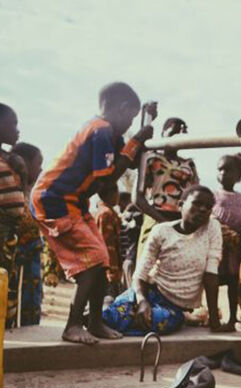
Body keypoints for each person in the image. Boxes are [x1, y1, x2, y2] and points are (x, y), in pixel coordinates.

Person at [31, 82, 155, 344]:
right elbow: (107, 179)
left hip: (73, 201)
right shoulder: (99, 131)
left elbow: (126, 159)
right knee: (93, 259)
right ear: (121, 109)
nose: (130, 124)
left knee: (102, 258)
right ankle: (73, 325)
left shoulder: (111, 135)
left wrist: (142, 132)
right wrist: (135, 142)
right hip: (54, 199)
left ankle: (95, 322)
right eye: (131, 117)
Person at [102, 185, 222, 335]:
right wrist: (142, 301)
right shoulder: (162, 231)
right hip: (149, 292)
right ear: (181, 204)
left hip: (174, 308)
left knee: (157, 320)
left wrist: (214, 321)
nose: (203, 209)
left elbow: (211, 275)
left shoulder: (212, 228)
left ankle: (109, 310)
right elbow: (141, 273)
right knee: (116, 315)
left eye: (208, 207)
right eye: (197, 204)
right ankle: (106, 308)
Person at [133, 117, 198, 260]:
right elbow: (137, 198)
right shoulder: (151, 157)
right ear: (163, 132)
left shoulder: (189, 164)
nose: (180, 132)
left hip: (180, 222)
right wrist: (162, 222)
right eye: (175, 129)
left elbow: (197, 196)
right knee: (147, 270)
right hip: (155, 217)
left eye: (183, 131)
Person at [212, 153, 241, 329]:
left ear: (238, 175)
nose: (223, 173)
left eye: (228, 170)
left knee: (234, 282)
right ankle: (212, 315)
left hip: (237, 247)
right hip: (218, 246)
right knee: (214, 279)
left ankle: (233, 317)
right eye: (220, 169)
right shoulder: (213, 196)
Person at [9, 142, 44, 326]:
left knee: (32, 295)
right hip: (14, 249)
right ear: (25, 163)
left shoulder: (33, 190)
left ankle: (31, 328)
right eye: (38, 164)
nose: (41, 169)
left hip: (33, 249)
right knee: (11, 293)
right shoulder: (12, 187)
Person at [0, 104, 28, 327]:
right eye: (14, 123)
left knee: (5, 288)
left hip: (8, 235)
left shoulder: (9, 160)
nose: (17, 130)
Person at [95, 182, 122, 298]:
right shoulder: (107, 214)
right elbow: (108, 247)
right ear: (111, 193)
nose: (118, 196)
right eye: (117, 192)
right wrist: (112, 273)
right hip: (107, 272)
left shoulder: (101, 212)